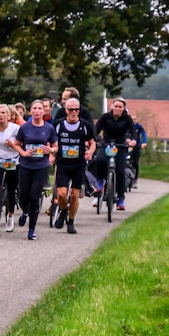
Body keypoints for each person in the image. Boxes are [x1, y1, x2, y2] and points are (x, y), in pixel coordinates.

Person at [8, 99, 58, 241]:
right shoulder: (25, 128)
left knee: (35, 197)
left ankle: (31, 229)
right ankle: (25, 212)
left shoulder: (49, 128)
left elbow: (55, 146)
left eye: (39, 108)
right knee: (23, 196)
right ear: (31, 111)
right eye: (34, 108)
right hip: (25, 165)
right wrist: (23, 153)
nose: (37, 111)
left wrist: (51, 150)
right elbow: (17, 144)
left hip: (41, 166)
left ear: (43, 111)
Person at [51, 97, 96, 234]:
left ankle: (71, 222)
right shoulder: (58, 125)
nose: (74, 112)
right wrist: (52, 154)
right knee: (61, 193)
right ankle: (63, 211)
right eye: (71, 109)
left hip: (78, 164)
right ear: (66, 110)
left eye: (76, 109)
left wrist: (90, 152)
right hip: (63, 164)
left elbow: (92, 142)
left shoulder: (85, 126)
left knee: (75, 195)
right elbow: (52, 142)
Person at [93, 97, 137, 210]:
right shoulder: (105, 117)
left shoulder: (127, 119)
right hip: (107, 144)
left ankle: (121, 198)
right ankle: (101, 181)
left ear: (123, 109)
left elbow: (133, 132)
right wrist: (92, 139)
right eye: (115, 106)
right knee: (100, 160)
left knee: (121, 171)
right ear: (112, 107)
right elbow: (96, 130)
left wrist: (133, 141)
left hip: (121, 146)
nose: (117, 108)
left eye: (120, 107)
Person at [0, 104, 21, 232]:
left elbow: (21, 144)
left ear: (8, 115)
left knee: (11, 190)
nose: (1, 115)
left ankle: (10, 216)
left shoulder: (15, 128)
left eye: (3, 113)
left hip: (13, 161)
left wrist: (13, 145)